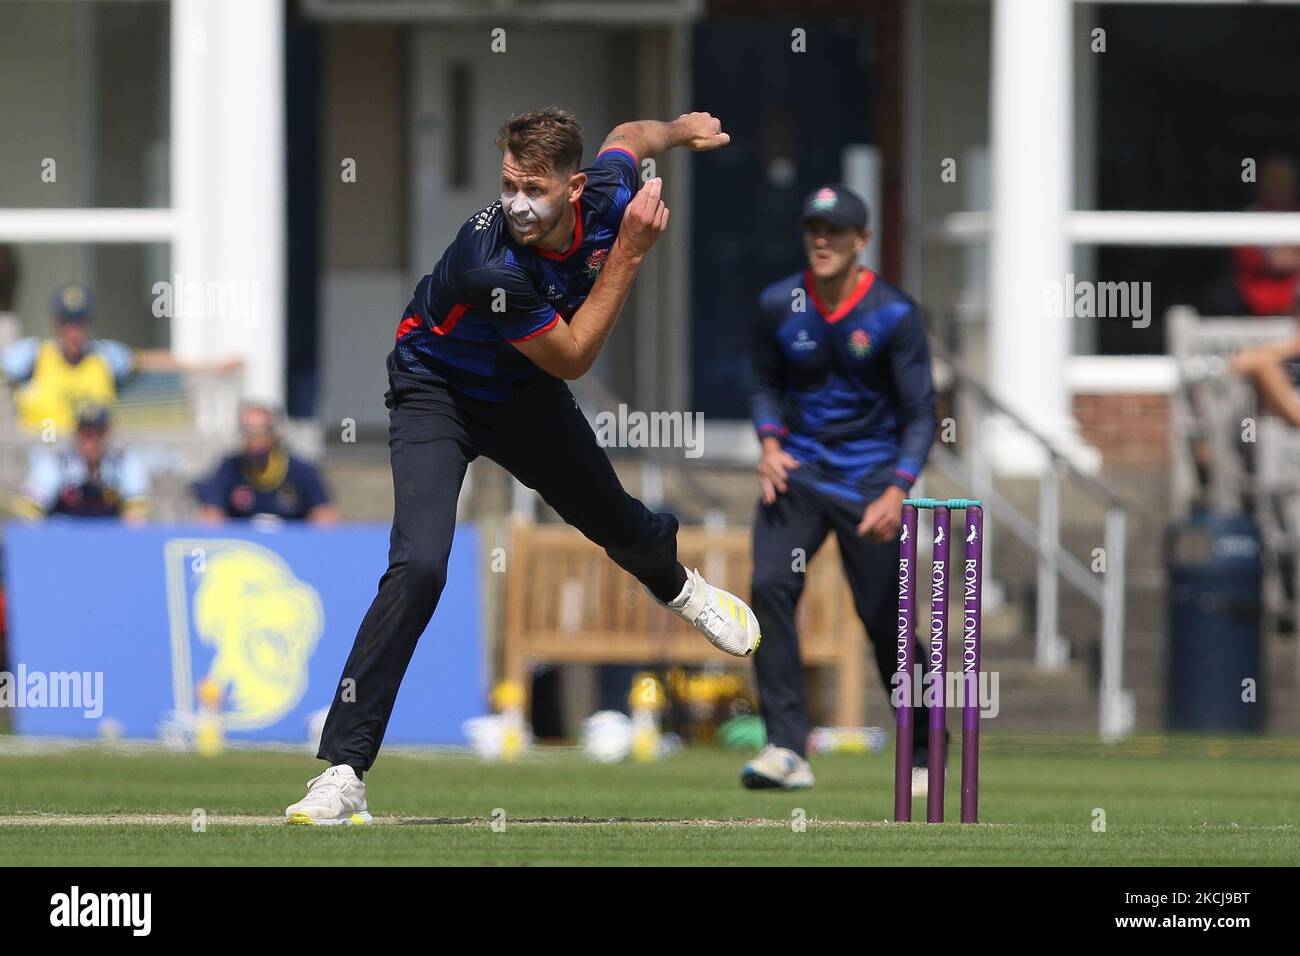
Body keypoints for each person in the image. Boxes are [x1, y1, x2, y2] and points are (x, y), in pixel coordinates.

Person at [285, 107, 758, 825]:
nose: (516, 203)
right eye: (508, 184)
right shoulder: (490, 263)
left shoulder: (607, 189)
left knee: (614, 520)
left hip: (521, 396)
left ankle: (684, 591)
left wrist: (680, 130)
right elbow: (573, 356)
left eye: (534, 188)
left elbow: (629, 136)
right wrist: (629, 253)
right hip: (434, 392)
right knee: (420, 567)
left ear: (575, 188)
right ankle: (343, 771)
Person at [743, 184, 939, 792]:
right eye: (814, 231)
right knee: (770, 588)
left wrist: (899, 488)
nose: (822, 241)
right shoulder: (780, 303)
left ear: (862, 240)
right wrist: (770, 444)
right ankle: (786, 748)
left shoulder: (893, 313)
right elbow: (765, 385)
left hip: (870, 485)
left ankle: (928, 752)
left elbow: (923, 412)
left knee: (886, 622)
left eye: (836, 232)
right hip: (798, 476)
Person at [0, 283, 241, 437]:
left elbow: (152, 361)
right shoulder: (32, 356)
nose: (74, 332)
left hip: (92, 456)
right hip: (40, 450)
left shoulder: (104, 357)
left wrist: (213, 365)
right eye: (67, 323)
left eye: (80, 323)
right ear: (56, 324)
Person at [193, 402, 339, 525]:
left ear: (275, 433)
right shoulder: (230, 467)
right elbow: (210, 515)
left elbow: (325, 516)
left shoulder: (301, 470)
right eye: (247, 431)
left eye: (259, 431)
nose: (253, 438)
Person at [11, 405, 150, 524]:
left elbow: (136, 511)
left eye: (97, 434)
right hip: (63, 539)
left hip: (109, 540)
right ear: (76, 434)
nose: (90, 442)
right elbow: (30, 508)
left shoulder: (124, 462)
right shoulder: (56, 462)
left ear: (107, 434)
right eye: (85, 434)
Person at [1234, 156, 1300, 317]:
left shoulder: (1296, 215)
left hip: (1295, 307)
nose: (1279, 188)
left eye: (1284, 181)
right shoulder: (1250, 217)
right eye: (1273, 181)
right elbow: (1276, 261)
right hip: (1257, 309)